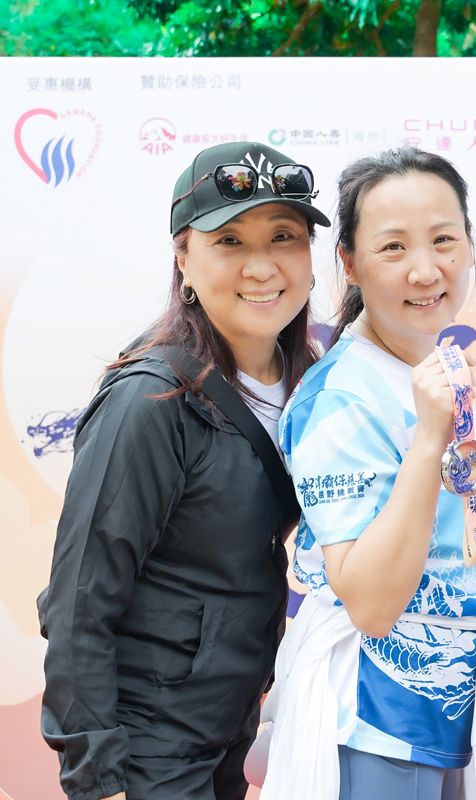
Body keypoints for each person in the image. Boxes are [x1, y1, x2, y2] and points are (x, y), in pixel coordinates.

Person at [39, 141, 331, 800]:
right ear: (183, 259)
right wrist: (98, 777)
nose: (262, 266)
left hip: (230, 731)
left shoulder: (308, 380)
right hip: (148, 748)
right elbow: (80, 598)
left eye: (283, 236)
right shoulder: (150, 400)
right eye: (229, 240)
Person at [257, 147, 476, 800]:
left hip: (448, 703)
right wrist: (430, 438)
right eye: (394, 247)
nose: (426, 270)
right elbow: (372, 604)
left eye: (444, 240)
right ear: (348, 262)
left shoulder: (427, 367)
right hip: (373, 711)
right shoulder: (342, 397)